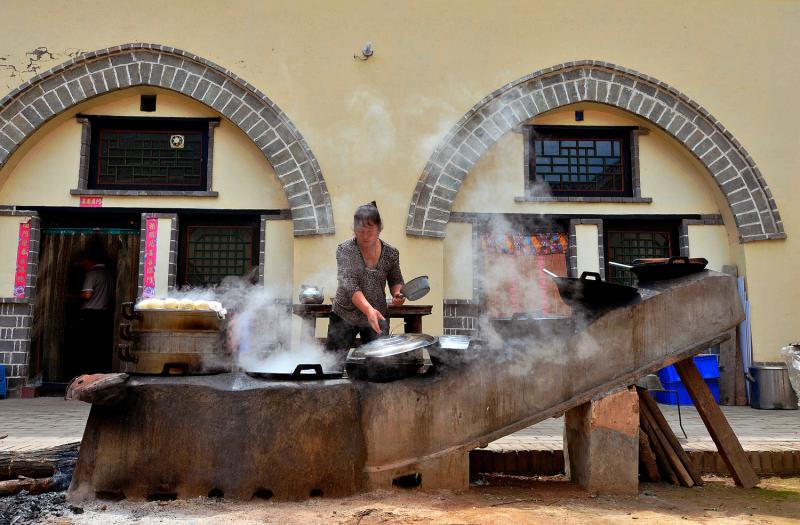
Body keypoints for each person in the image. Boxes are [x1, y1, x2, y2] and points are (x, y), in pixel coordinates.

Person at [326, 202, 405, 355]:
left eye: (370, 231)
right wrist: (369, 310)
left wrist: (398, 294)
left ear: (379, 229)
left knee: (378, 363)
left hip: (377, 314)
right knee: (333, 362)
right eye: (360, 231)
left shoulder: (391, 253)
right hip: (345, 314)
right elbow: (350, 286)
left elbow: (396, 280)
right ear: (354, 229)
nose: (365, 236)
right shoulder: (345, 250)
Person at [78, 244, 114, 373]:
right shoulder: (109, 274)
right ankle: (100, 371)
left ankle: (88, 372)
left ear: (89, 261)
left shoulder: (92, 273)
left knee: (88, 346)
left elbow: (87, 295)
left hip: (91, 315)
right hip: (104, 314)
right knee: (100, 345)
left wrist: (74, 296)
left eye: (83, 262)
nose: (82, 265)